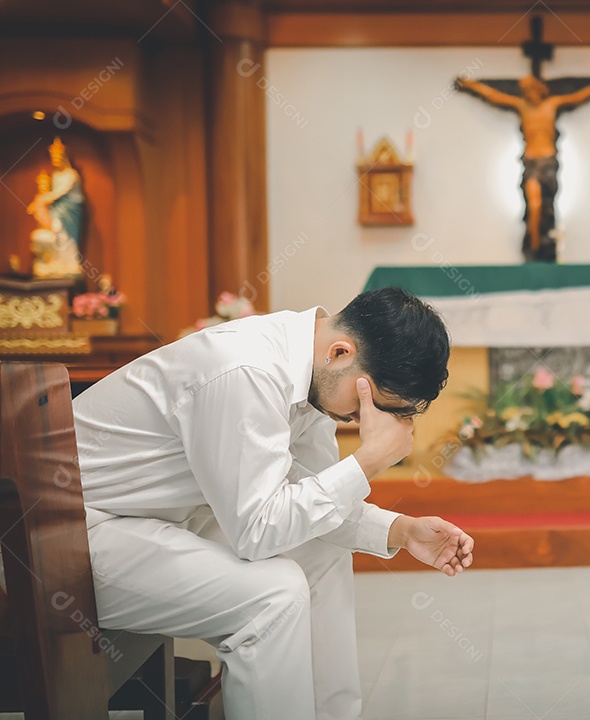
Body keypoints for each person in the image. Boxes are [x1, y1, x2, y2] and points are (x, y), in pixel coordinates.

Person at [74, 286, 473, 720]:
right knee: (273, 597)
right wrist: (369, 459)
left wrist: (399, 530)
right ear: (340, 353)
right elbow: (258, 532)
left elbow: (312, 502)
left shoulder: (315, 376)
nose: (359, 421)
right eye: (367, 406)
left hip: (159, 520)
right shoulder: (245, 370)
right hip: (74, 535)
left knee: (321, 552)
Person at [456, 74, 590, 261]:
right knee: (534, 204)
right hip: (531, 161)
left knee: (546, 207)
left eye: (531, 90)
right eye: (525, 92)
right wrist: (471, 85)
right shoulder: (522, 107)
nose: (528, 95)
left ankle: (544, 247)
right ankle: (533, 245)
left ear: (539, 90)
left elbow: (580, 96)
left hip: (549, 161)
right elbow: (494, 96)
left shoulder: (552, 104)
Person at [26, 136, 86, 278]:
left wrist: (41, 200)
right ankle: (57, 262)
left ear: (64, 157)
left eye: (58, 158)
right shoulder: (55, 175)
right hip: (57, 210)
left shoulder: (72, 175)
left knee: (65, 236)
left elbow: (59, 193)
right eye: (53, 158)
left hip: (69, 214)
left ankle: (69, 263)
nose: (56, 161)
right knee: (54, 233)